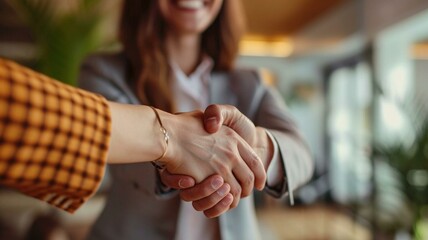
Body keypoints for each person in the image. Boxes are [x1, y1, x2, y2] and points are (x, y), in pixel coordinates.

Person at [78, 0, 314, 239]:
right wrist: (180, 152)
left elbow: (301, 152)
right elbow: (113, 149)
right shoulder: (104, 71)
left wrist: (253, 149)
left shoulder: (250, 83)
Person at [0, 57, 264, 214]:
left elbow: (294, 147)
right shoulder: (104, 68)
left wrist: (246, 151)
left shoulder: (250, 80)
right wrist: (172, 138)